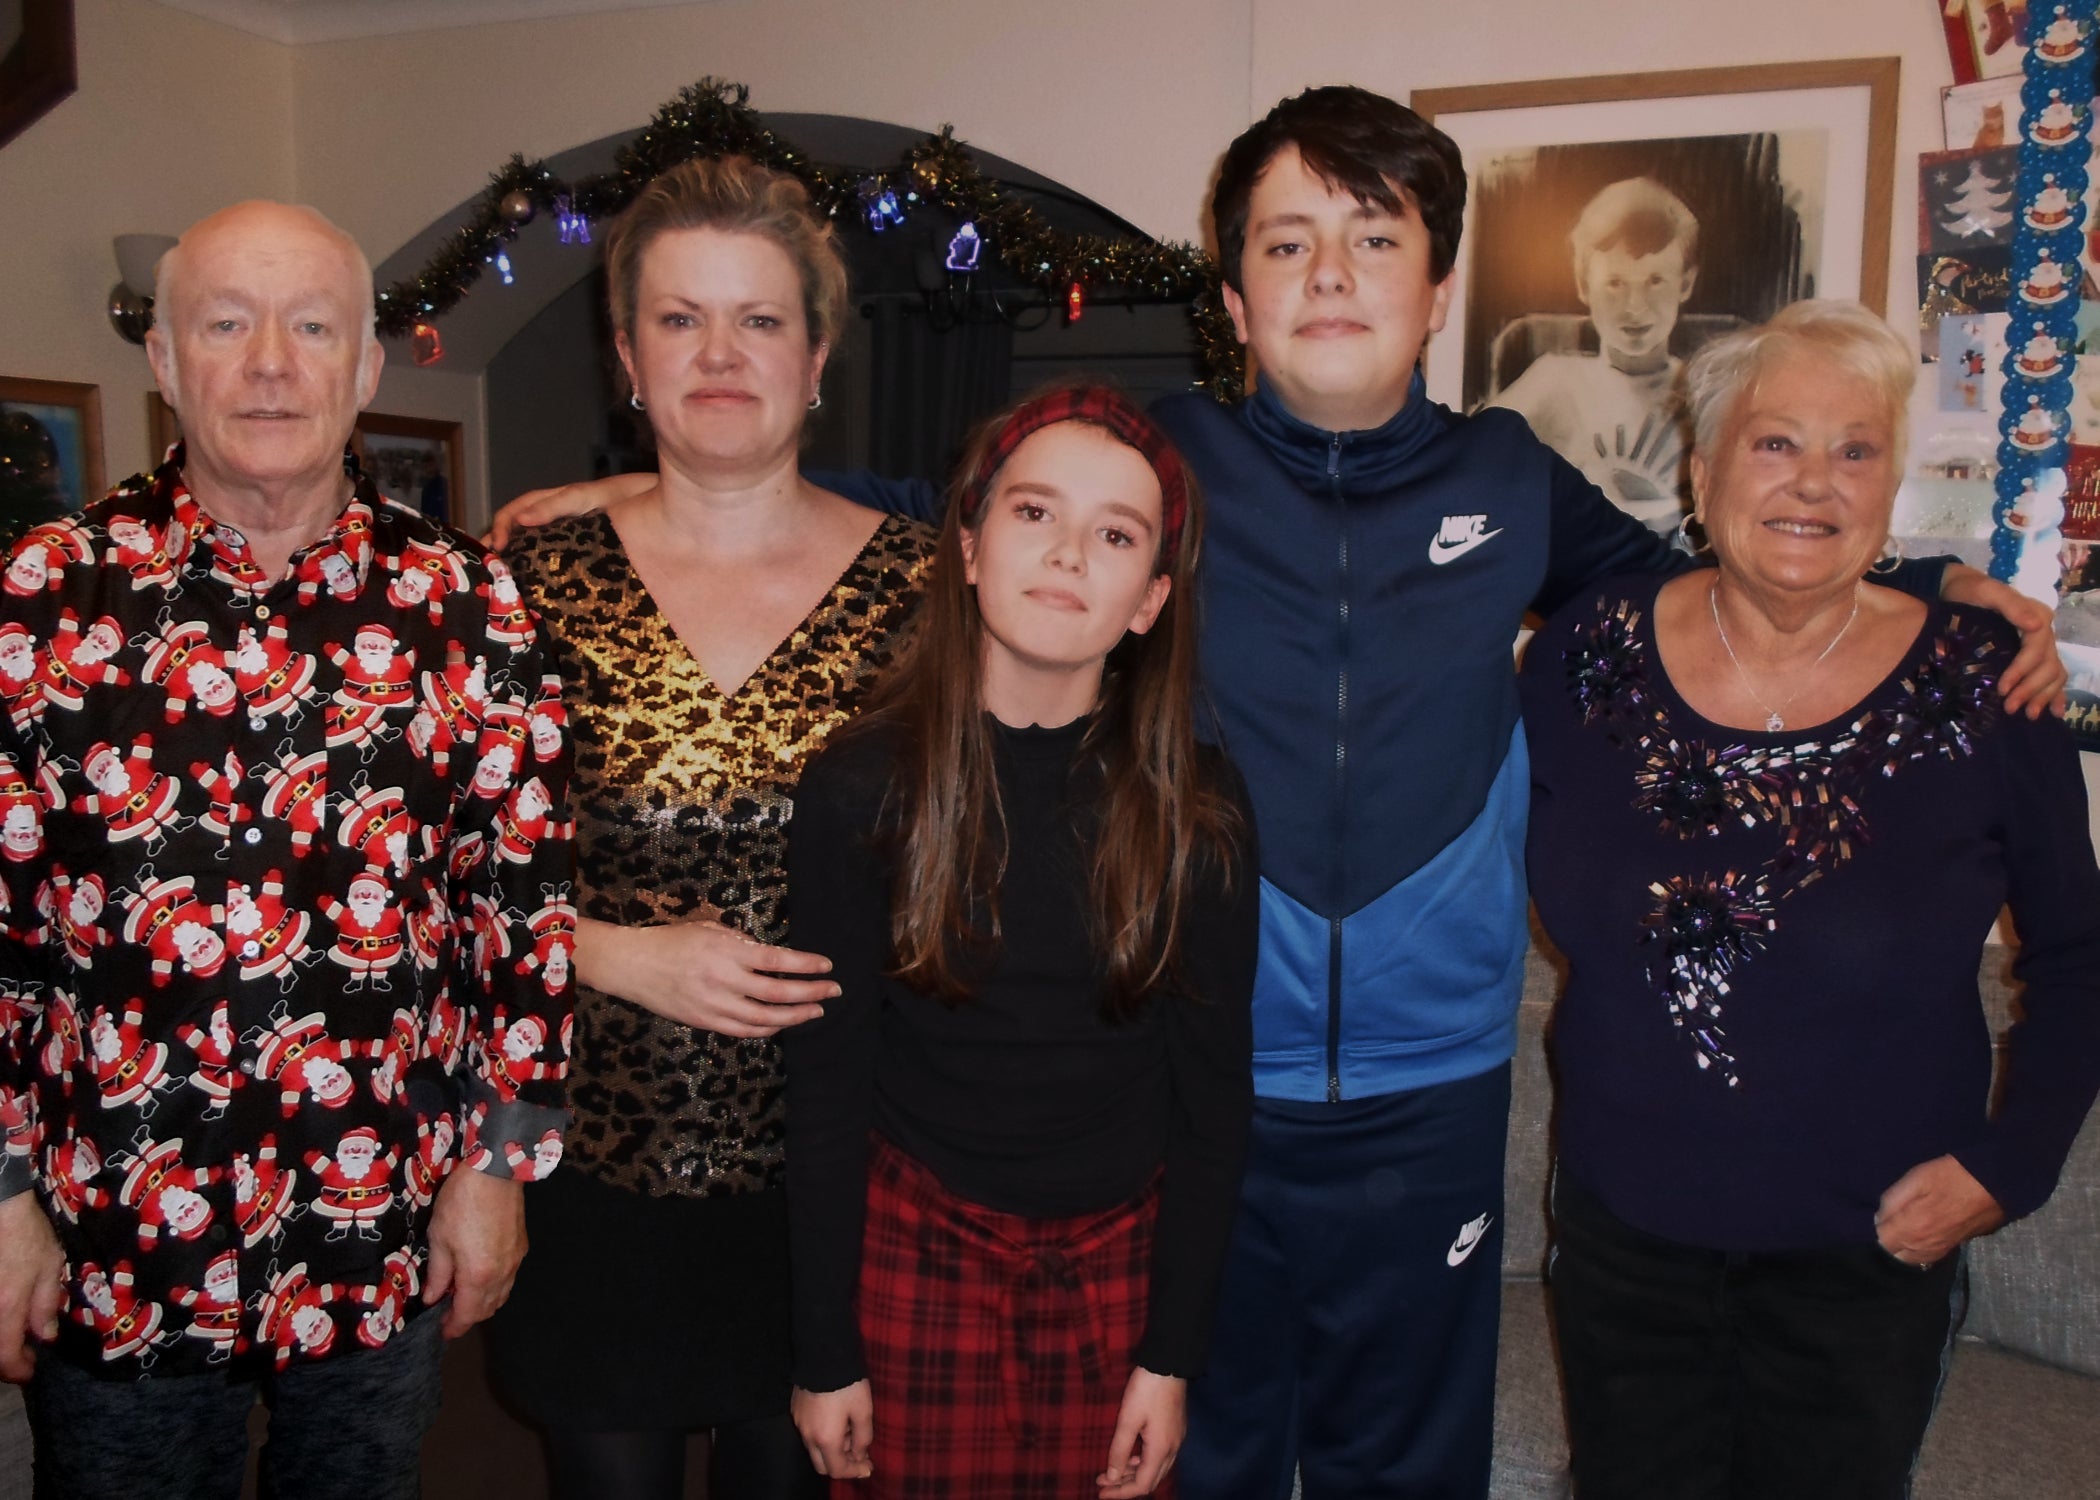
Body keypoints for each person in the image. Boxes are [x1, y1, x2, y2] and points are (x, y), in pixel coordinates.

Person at [489, 86, 2064, 1499]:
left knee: (1405, 1463)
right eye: (1287, 241)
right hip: (1209, 1088)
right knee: (1200, 1448)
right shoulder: (1156, 469)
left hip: (1429, 1096)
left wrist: (1931, 582)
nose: (1330, 273)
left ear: (1437, 290)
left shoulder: (1511, 481)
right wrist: (664, 488)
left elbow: (1717, 570)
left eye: (1373, 240)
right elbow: (935, 505)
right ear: (1233, 298)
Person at [0, 200, 575, 1499]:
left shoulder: (470, 605)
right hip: (119, 1222)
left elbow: (522, 916)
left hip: (380, 1208)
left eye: (312, 326)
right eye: (226, 323)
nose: (270, 361)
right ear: (166, 360)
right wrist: (0, 1194)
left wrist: (500, 1170)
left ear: (366, 368)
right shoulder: (42, 598)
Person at [1519, 299, 2100, 1498]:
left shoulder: (1984, 682)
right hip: (1626, 1240)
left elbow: (2080, 954)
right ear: (1703, 466)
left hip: (1869, 1254)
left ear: (1891, 486)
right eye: (1775, 442)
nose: (1814, 483)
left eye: (1856, 450)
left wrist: (2012, 1166)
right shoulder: (1588, 654)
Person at [480, 156, 936, 1500]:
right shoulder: (526, 576)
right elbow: (436, 870)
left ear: (817, 354)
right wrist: (612, 952)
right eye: (680, 319)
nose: (719, 354)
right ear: (627, 355)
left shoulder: (930, 592)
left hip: (836, 1172)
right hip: (592, 1178)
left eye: (759, 320)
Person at [782, 384, 1256, 1498]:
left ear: (1149, 600)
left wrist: (1172, 1357)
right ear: (968, 547)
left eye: (1116, 534)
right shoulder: (859, 784)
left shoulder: (1200, 804)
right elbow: (824, 1086)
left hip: (1118, 1262)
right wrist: (824, 1352)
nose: (1069, 555)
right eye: (1035, 513)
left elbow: (1212, 1101)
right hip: (917, 1245)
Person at [1488, 177, 1703, 531]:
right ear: (1583, 285)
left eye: (1655, 281)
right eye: (1615, 283)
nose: (1635, 307)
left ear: (1685, 283)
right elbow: (1467, 462)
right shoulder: (1556, 381)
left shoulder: (1703, 394)